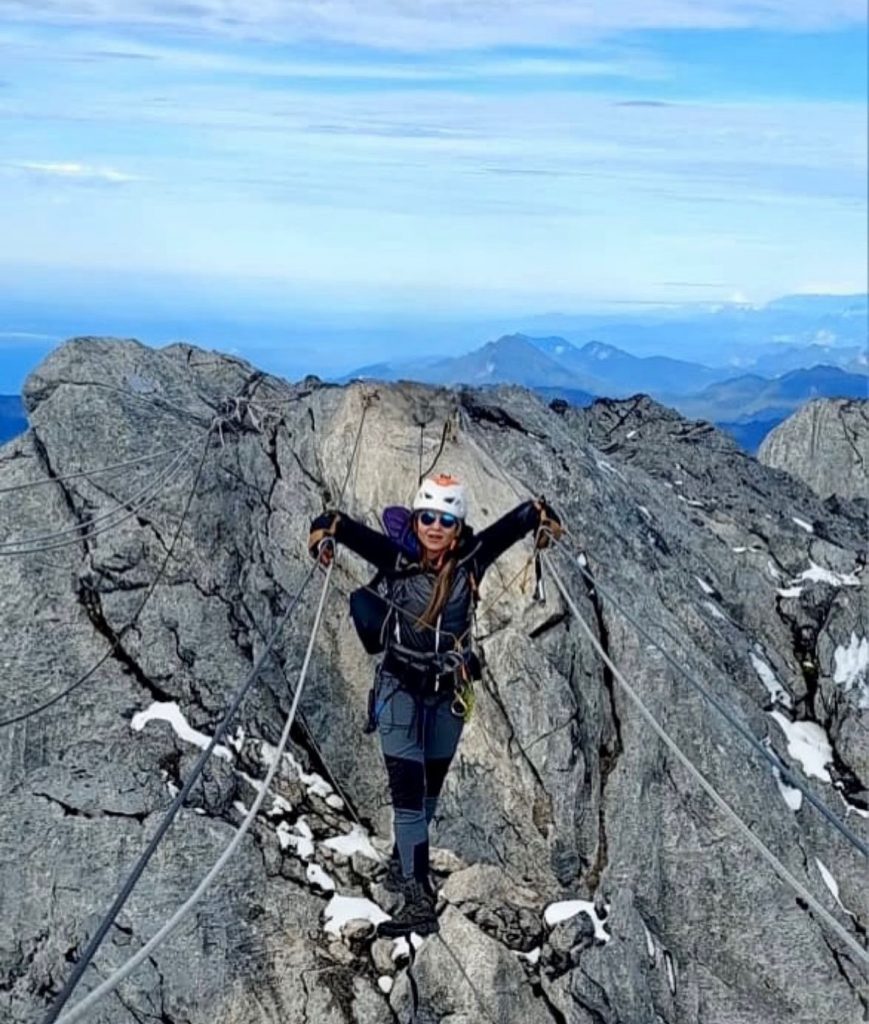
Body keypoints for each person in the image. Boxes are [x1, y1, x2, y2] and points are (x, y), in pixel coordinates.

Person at [308, 474, 562, 936]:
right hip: (400, 689)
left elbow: (524, 517)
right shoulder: (397, 557)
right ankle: (417, 897)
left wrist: (543, 521)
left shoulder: (471, 558)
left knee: (427, 794)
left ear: (458, 523)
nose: (435, 527)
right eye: (427, 517)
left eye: (446, 519)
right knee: (407, 796)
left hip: (448, 694)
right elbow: (337, 524)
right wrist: (322, 537)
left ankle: (405, 862)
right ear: (417, 517)